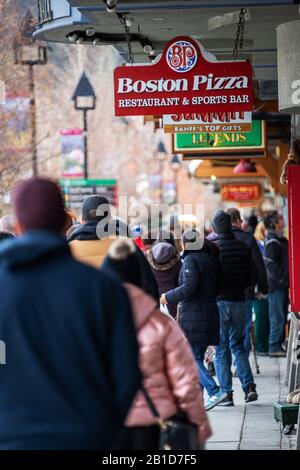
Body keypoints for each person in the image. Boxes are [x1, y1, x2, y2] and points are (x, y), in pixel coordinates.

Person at [0, 177, 140, 450]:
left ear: (18, 224)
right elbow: (126, 374)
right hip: (86, 435)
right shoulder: (103, 288)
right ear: (64, 222)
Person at [101, 238, 212, 450]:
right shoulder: (163, 324)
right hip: (156, 418)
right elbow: (186, 379)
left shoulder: (95, 323)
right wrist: (198, 427)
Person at [161, 229, 224, 411]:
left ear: (186, 243)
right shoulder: (211, 258)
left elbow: (188, 287)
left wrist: (168, 296)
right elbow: (219, 286)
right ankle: (200, 401)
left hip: (195, 314)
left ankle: (214, 391)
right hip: (210, 312)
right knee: (196, 357)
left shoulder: (191, 259)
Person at [68, 195, 159, 302]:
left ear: (82, 220)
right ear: (109, 219)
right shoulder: (126, 246)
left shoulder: (67, 250)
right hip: (121, 313)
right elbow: (149, 287)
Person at [212, 210, 258, 406]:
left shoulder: (212, 249)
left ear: (215, 228)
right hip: (240, 301)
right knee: (238, 345)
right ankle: (249, 387)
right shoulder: (243, 247)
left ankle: (226, 393)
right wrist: (241, 286)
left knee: (221, 348)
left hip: (219, 303)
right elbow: (253, 276)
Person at [226, 208, 268, 355]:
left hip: (222, 292)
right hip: (245, 291)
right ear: (238, 221)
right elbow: (259, 266)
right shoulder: (248, 239)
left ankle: (228, 362)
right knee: (243, 328)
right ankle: (241, 362)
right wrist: (262, 287)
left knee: (225, 330)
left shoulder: (215, 239)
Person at [263, 211, 289, 357]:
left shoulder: (279, 240)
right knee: (277, 317)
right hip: (276, 286)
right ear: (273, 223)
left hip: (281, 285)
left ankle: (277, 344)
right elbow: (270, 264)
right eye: (279, 218)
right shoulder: (273, 242)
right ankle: (274, 346)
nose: (282, 219)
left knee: (282, 316)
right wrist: (284, 279)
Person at [145, 230, 182, 318]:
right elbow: (181, 280)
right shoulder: (177, 260)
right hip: (174, 298)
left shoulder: (148, 257)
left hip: (154, 298)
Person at [253, 221, 270, 355]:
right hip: (259, 288)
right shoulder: (256, 244)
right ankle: (261, 345)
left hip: (269, 285)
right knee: (260, 317)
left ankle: (266, 344)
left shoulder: (267, 243)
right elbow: (258, 267)